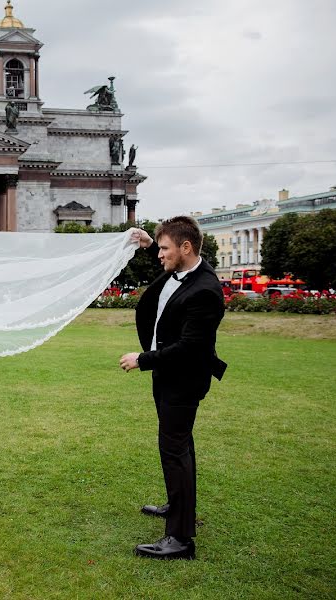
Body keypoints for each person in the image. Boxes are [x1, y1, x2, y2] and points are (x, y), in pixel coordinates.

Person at [119, 217, 227, 560]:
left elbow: (190, 348)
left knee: (174, 450)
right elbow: (166, 262)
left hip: (183, 378)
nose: (160, 255)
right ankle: (179, 508)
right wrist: (151, 244)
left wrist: (143, 358)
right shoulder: (181, 269)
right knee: (181, 447)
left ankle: (180, 539)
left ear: (186, 248)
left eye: (165, 249)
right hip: (167, 375)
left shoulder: (206, 291)